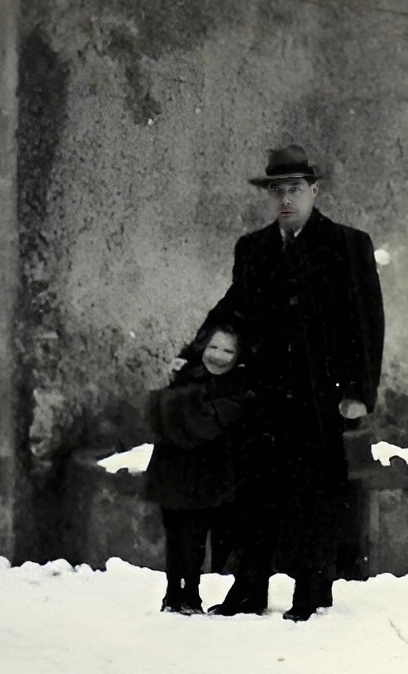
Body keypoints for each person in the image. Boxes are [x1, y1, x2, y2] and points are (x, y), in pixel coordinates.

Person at [209, 142, 384, 621]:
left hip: (319, 397)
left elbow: (367, 323)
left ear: (314, 191)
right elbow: (233, 311)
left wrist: (359, 393)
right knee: (255, 496)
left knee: (316, 495)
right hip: (262, 397)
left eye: (295, 189)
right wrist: (201, 352)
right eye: (277, 191)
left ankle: (311, 592)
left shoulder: (347, 245)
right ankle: (249, 590)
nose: (285, 199)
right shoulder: (253, 249)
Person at [143, 322, 252, 615]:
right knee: (174, 534)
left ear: (238, 357)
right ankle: (173, 594)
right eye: (213, 347)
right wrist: (177, 389)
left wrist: (177, 402)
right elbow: (158, 412)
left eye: (228, 351)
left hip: (205, 476)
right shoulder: (185, 378)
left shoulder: (235, 389)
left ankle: (190, 593)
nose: (218, 355)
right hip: (172, 470)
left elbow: (199, 422)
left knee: (194, 537)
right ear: (201, 348)